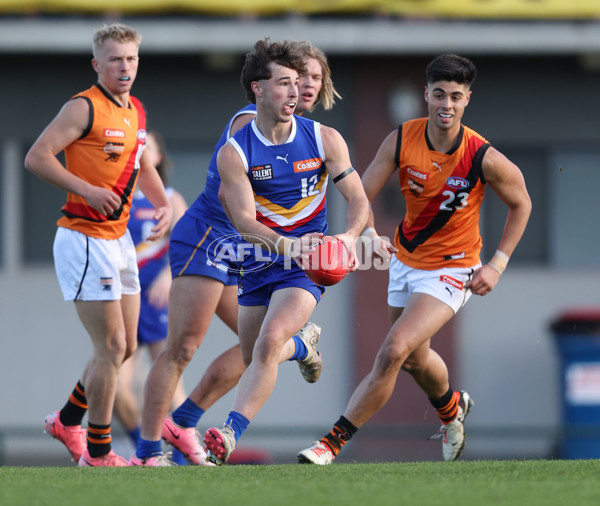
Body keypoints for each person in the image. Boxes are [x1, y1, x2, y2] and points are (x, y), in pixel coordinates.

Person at [297, 53, 532, 465]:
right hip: (406, 262)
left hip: (454, 268)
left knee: (393, 350)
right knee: (414, 359)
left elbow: (522, 202)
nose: (446, 104)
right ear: (426, 94)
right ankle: (451, 407)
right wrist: (366, 234)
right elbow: (359, 194)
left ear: (467, 100)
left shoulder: (482, 156)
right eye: (439, 94)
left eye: (455, 97)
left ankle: (329, 444)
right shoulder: (402, 139)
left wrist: (497, 263)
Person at [131, 40, 342, 466]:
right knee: (183, 347)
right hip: (213, 235)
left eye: (315, 79)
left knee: (257, 350)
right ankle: (149, 450)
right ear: (268, 86)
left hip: (251, 248)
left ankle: (187, 417)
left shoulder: (310, 138)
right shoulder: (253, 123)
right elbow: (238, 201)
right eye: (297, 78)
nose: (307, 87)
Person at [202, 38, 369, 466]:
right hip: (258, 261)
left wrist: (348, 240)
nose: (295, 92)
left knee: (268, 342)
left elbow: (359, 199)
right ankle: (305, 347)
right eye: (283, 84)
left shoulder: (323, 138)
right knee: (255, 353)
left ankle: (229, 433)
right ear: (257, 88)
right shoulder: (234, 153)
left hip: (305, 268)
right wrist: (286, 245)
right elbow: (242, 220)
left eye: (298, 83)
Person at [24, 23, 172, 467]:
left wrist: (164, 204)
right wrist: (86, 189)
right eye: (114, 60)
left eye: (130, 59)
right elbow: (37, 156)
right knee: (110, 348)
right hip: (84, 237)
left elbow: (143, 164)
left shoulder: (137, 111)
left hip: (119, 238)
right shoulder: (83, 106)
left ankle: (68, 419)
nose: (124, 67)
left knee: (123, 348)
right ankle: (99, 451)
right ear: (97, 64)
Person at [113, 130, 188, 465]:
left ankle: (187, 451)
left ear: (157, 158)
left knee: (170, 382)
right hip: (123, 297)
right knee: (116, 391)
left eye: (147, 149)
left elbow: (188, 244)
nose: (141, 154)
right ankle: (143, 450)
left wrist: (167, 276)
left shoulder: (170, 197)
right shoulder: (119, 196)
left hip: (156, 300)